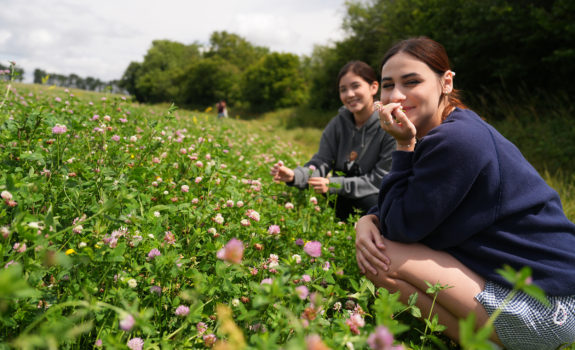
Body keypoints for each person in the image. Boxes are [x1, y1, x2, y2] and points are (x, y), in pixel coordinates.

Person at [355, 36, 575, 350]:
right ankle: (489, 341)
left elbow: (398, 229)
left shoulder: (455, 140)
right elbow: (411, 202)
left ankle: (488, 344)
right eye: (389, 85)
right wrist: (366, 220)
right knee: (382, 246)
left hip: (550, 309)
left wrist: (403, 146)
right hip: (558, 297)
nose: (397, 95)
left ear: (445, 82)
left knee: (382, 256)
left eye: (412, 81)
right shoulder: (456, 127)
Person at [270, 61, 396, 221]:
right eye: (343, 90)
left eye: (356, 86)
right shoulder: (338, 123)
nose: (349, 94)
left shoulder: (389, 125)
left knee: (373, 204)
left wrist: (333, 184)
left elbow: (380, 180)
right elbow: (321, 161)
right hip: (340, 197)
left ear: (374, 87)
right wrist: (294, 176)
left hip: (375, 201)